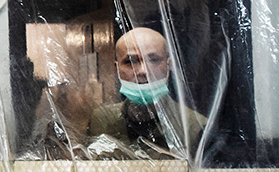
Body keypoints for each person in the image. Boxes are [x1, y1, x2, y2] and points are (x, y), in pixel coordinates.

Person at [86, 27, 208, 157]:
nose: (143, 71)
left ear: (168, 65)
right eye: (131, 62)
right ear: (117, 69)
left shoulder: (195, 128)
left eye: (154, 60)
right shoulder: (102, 121)